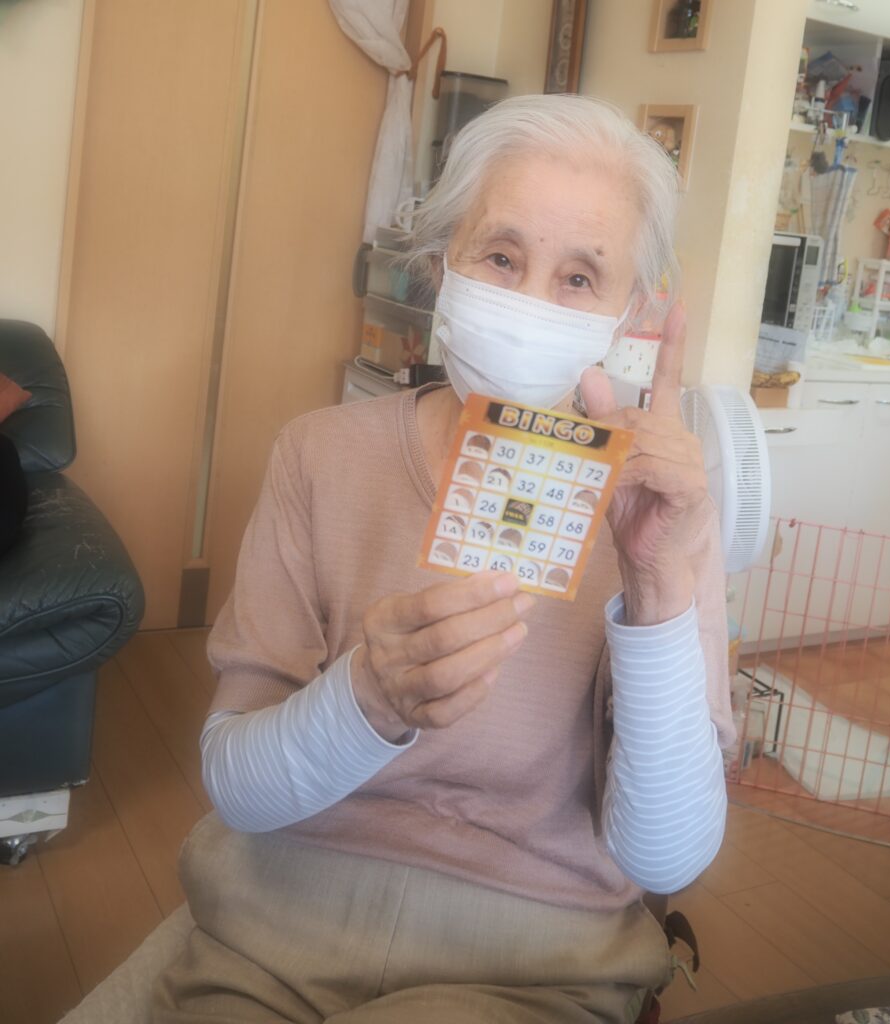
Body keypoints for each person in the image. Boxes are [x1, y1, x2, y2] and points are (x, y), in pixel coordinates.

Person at [153, 94, 736, 1024]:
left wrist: (661, 586)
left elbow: (665, 856)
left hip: (537, 955)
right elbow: (237, 785)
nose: (531, 301)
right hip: (275, 916)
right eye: (500, 257)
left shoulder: (664, 515)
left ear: (629, 312)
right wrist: (365, 700)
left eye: (579, 277)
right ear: (438, 267)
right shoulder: (318, 454)